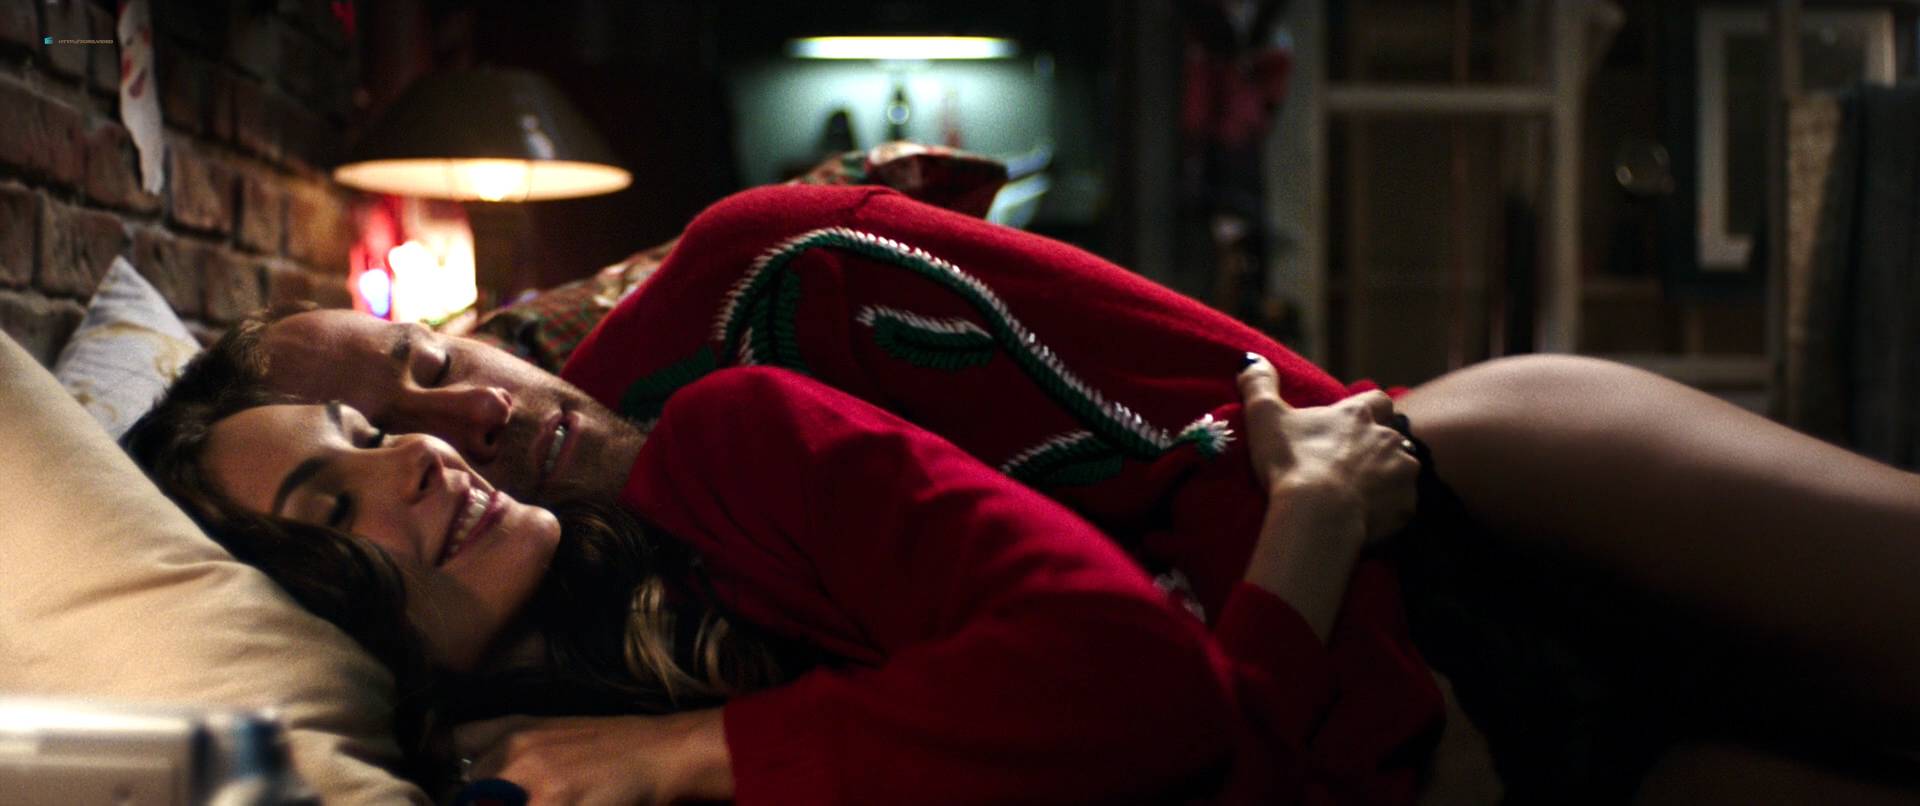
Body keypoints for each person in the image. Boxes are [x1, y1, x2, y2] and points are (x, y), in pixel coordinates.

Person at [157, 182, 1920, 798]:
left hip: (1455, 511)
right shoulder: (581, 673)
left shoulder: (745, 319)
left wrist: (1310, 537)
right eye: (344, 473)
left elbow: (1247, 420)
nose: (448, 423)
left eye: (427, 359)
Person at [125, 346, 1429, 803]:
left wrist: (689, 751)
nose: (422, 447)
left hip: (1417, 658)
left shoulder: (729, 450)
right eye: (332, 506)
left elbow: (1154, 688)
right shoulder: (485, 770)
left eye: (372, 424)